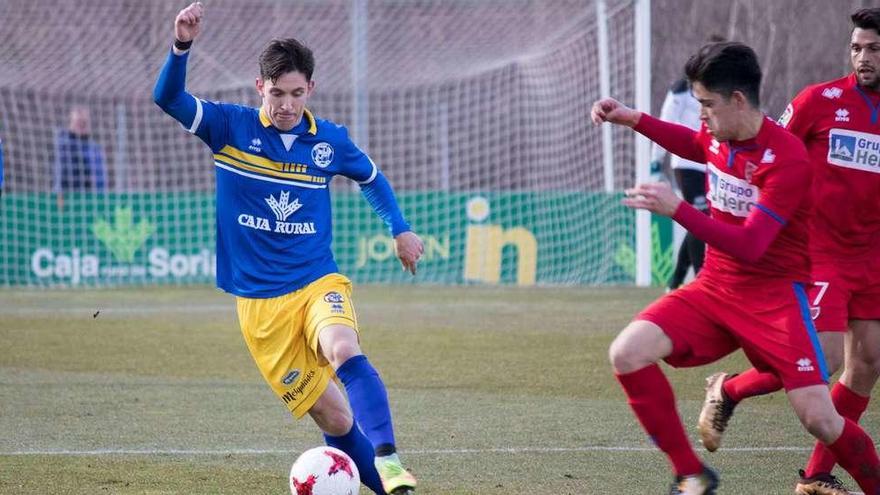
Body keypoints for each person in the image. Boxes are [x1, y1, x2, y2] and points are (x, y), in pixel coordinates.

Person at [153, 3, 421, 494]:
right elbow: (167, 96)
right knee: (335, 416)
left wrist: (399, 229)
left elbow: (372, 178)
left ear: (311, 90)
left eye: (297, 94)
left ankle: (389, 461)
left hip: (317, 279)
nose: (287, 105)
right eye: (277, 93)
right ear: (260, 87)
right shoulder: (229, 127)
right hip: (260, 306)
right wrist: (182, 45)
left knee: (343, 348)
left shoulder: (329, 142)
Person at [592, 41, 880, 495]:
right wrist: (632, 118)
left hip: (774, 300)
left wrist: (678, 210)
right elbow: (692, 142)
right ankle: (691, 474)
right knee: (626, 352)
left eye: (706, 104)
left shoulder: (787, 161)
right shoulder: (718, 134)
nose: (700, 115)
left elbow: (751, 245)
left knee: (821, 418)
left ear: (738, 100)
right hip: (713, 290)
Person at [696, 9, 880, 495]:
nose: (863, 57)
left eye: (874, 49)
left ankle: (817, 476)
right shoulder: (819, 101)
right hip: (821, 252)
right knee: (820, 361)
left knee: (868, 364)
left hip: (874, 257)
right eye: (857, 48)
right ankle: (728, 388)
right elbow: (768, 149)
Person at [650, 75, 707, 290]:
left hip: (709, 164)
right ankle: (700, 279)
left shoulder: (717, 89)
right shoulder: (681, 89)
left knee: (701, 220)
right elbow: (665, 121)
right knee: (699, 216)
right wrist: (656, 160)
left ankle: (676, 281)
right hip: (686, 164)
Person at [52, 105, 107, 211]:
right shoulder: (63, 144)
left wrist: (101, 197)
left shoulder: (94, 149)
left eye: (84, 123)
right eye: (78, 122)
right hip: (65, 199)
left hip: (90, 199)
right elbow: (61, 174)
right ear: (71, 123)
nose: (81, 126)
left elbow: (101, 178)